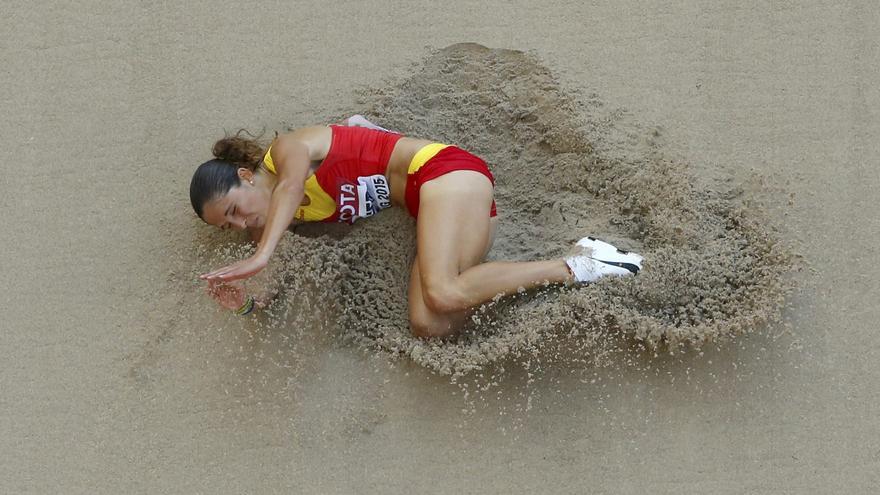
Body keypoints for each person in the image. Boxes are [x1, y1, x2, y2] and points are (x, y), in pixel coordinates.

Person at [191, 116, 644, 338]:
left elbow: (291, 186)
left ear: (245, 177)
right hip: (441, 214)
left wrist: (261, 253)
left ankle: (582, 264)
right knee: (429, 323)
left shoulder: (285, 152)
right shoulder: (270, 225)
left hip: (445, 173)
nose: (240, 223)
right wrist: (246, 306)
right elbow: (274, 291)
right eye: (228, 226)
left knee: (443, 293)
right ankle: (569, 262)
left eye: (233, 209)